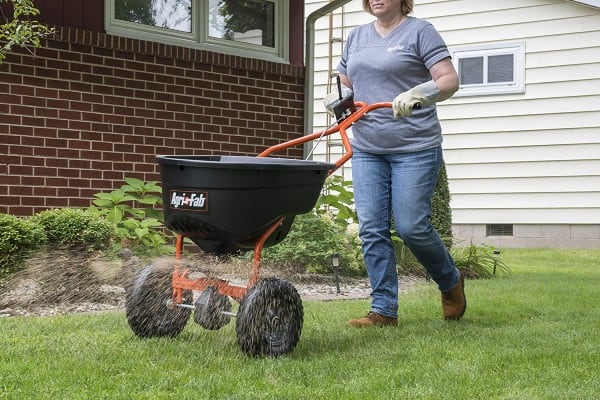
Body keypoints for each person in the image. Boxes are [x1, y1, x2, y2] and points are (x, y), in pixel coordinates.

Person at [326, 0, 466, 327]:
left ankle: (449, 281)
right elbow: (344, 81)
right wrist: (335, 96)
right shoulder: (357, 36)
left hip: (415, 146)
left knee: (411, 226)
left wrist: (422, 92)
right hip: (367, 147)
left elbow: (448, 80)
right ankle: (383, 310)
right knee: (372, 229)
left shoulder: (420, 32)